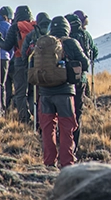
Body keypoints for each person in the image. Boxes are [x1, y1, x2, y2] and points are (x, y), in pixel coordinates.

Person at [38, 16, 89, 168]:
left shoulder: (43, 43)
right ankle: (67, 162)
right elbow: (85, 63)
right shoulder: (71, 42)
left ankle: (49, 162)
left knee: (48, 129)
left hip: (45, 92)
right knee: (67, 128)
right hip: (65, 92)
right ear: (67, 29)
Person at [0, 5, 36, 125]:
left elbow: (7, 46)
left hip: (20, 61)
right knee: (32, 91)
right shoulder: (35, 26)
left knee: (20, 92)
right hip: (34, 62)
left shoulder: (15, 27)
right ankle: (36, 116)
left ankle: (24, 118)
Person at [65, 13, 92, 152]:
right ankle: (74, 144)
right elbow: (93, 52)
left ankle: (63, 143)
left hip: (64, 80)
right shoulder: (85, 35)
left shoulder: (61, 37)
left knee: (64, 112)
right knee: (77, 111)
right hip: (81, 79)